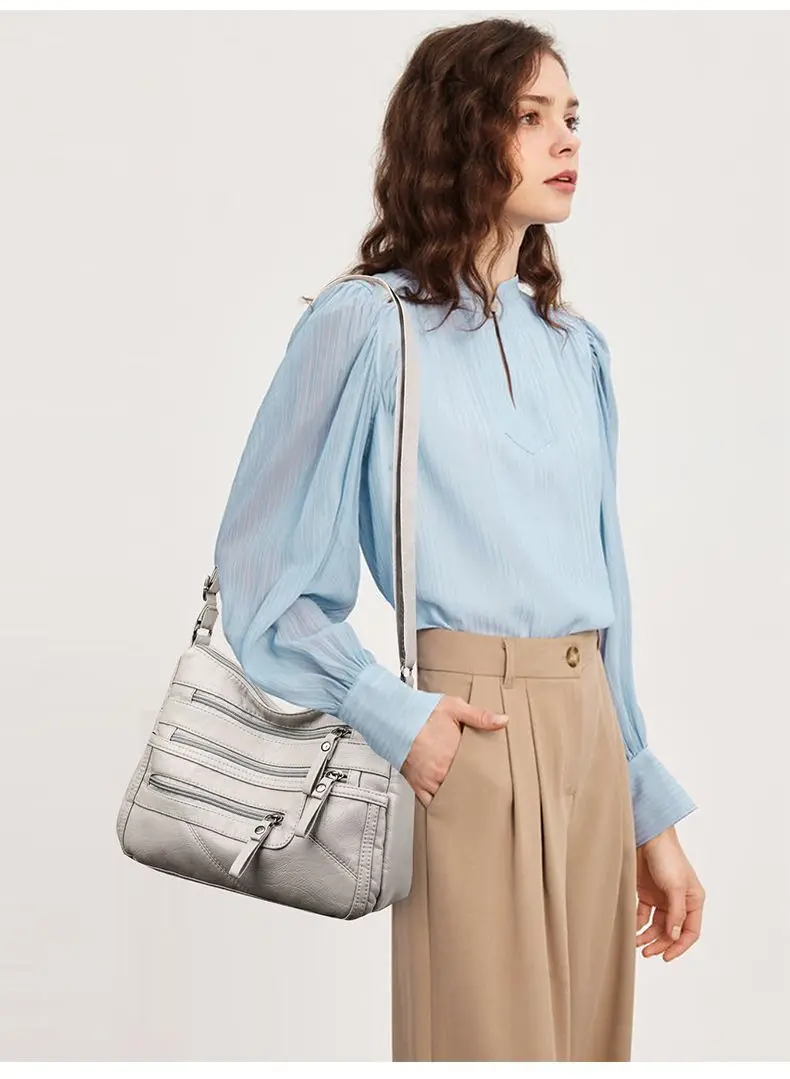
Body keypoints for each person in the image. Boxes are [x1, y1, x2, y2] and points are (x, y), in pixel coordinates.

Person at [212, 16, 705, 1063]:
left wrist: (646, 805)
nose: (565, 139)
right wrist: (393, 713)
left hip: (589, 732)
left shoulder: (576, 349)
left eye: (571, 116)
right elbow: (265, 577)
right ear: (459, 132)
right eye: (530, 116)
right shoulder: (367, 324)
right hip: (467, 730)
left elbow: (605, 595)